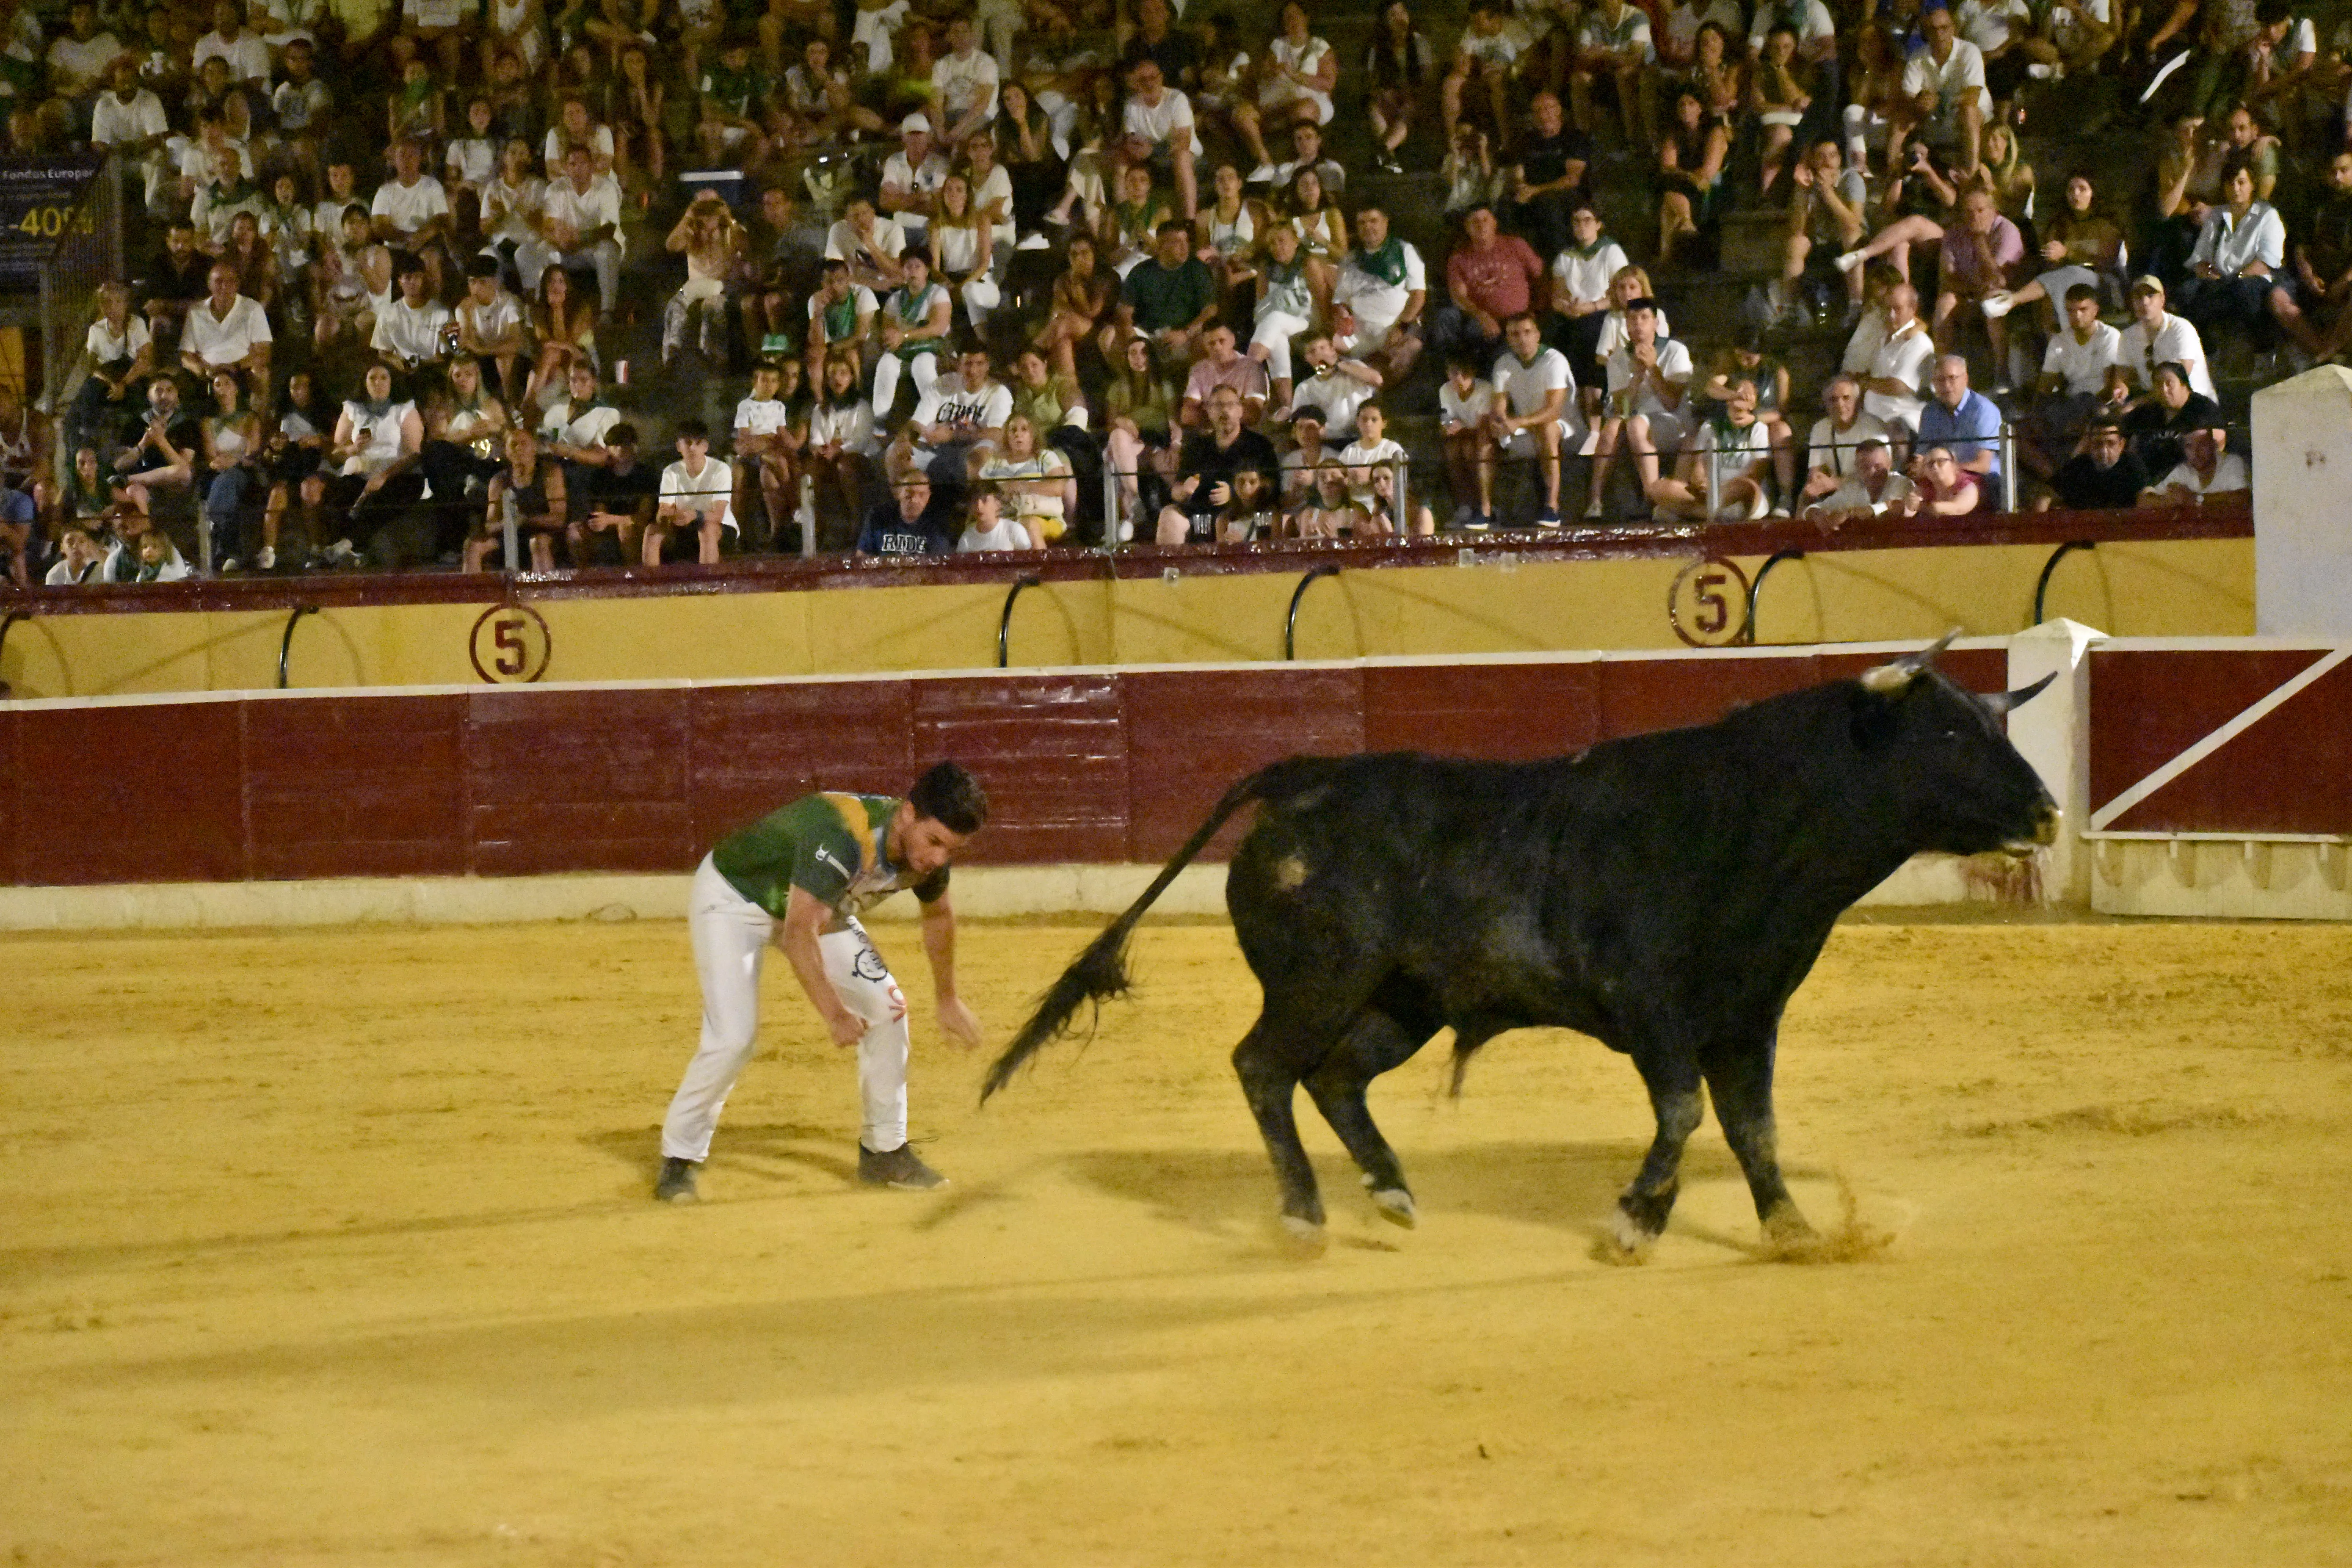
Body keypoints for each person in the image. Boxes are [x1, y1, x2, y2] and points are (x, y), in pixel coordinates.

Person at [654, 760, 990, 1203]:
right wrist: (834, 1014)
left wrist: (947, 998)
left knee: (888, 1010)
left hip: (819, 911)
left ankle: (885, 1151)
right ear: (908, 814)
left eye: (950, 850)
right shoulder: (845, 836)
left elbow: (938, 914)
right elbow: (798, 933)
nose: (937, 859)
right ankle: (679, 1157)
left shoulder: (923, 854)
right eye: (934, 842)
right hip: (736, 900)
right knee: (733, 1037)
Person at [1158, 384, 1279, 544]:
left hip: (1241, 516)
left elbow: (1273, 488)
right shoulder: (1196, 447)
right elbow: (1177, 489)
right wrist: (1183, 491)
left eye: (1231, 405)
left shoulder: (1259, 446)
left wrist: (1237, 495)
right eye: (1218, 406)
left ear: (1240, 410)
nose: (1225, 411)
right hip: (1200, 519)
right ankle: (1171, 569)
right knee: (1169, 515)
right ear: (1208, 410)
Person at [1435, 205, 1545, 367]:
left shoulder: (1516, 245)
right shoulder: (1459, 258)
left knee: (1501, 361)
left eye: (1485, 219)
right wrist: (1481, 316)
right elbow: (1458, 296)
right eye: (1475, 222)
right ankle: (1454, 370)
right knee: (1445, 317)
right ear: (1467, 228)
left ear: (1495, 223)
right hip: (1479, 322)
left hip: (1515, 320)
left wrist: (1535, 312)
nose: (1481, 225)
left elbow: (1541, 275)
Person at [1333, 206, 1426, 381]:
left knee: (1412, 347)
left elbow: (1418, 296)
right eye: (1362, 223)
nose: (1368, 227)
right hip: (1360, 332)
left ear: (1386, 222)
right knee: (1326, 347)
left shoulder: (1406, 251)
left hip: (1395, 329)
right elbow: (1341, 300)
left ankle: (1380, 392)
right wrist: (1344, 316)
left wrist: (1402, 327)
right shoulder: (1351, 259)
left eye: (1373, 221)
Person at [1914, 353, 2003, 497]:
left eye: (1952, 378)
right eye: (1940, 380)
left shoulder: (1983, 410)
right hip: (1942, 478)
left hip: (1983, 480)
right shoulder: (1929, 412)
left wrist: (1947, 470)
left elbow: (1984, 465)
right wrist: (1919, 465)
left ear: (1966, 379)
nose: (1947, 386)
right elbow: (1923, 456)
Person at [1800, 437, 1916, 528]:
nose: (1872, 473)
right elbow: (1816, 508)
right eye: (1865, 467)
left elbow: (1895, 506)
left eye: (1878, 466)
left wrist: (1849, 513)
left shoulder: (1902, 484)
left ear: (1890, 464)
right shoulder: (1853, 488)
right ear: (1857, 468)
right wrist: (1816, 514)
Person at [1439, 355, 1499, 528]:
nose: (1458, 379)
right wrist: (1448, 426)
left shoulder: (1485, 389)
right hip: (1463, 437)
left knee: (1472, 450)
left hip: (1484, 438)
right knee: (1452, 451)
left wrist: (1461, 427)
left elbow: (1482, 427)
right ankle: (1466, 506)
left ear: (1472, 374)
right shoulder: (1445, 390)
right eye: (1454, 373)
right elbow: (1446, 417)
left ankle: (1486, 507)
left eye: (1464, 374)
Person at [2042, 418, 2149, 511]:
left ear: (2121, 445)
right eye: (2098, 444)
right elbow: (2052, 493)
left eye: (2111, 444)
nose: (2104, 451)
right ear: (2090, 445)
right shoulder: (2078, 467)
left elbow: (2144, 497)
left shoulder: (2132, 466)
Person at [2141, 425, 2249, 506]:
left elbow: (2244, 497)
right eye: (2189, 446)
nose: (2195, 452)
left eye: (2202, 444)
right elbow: (2143, 500)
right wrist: (2167, 500)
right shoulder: (2183, 470)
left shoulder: (2232, 463)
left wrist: (2196, 499)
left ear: (2213, 445)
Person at [858, 470, 958, 556]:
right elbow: (862, 557)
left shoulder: (937, 523)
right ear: (898, 493)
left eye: (922, 495)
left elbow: (938, 564)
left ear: (929, 497)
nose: (915, 500)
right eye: (909, 494)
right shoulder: (879, 517)